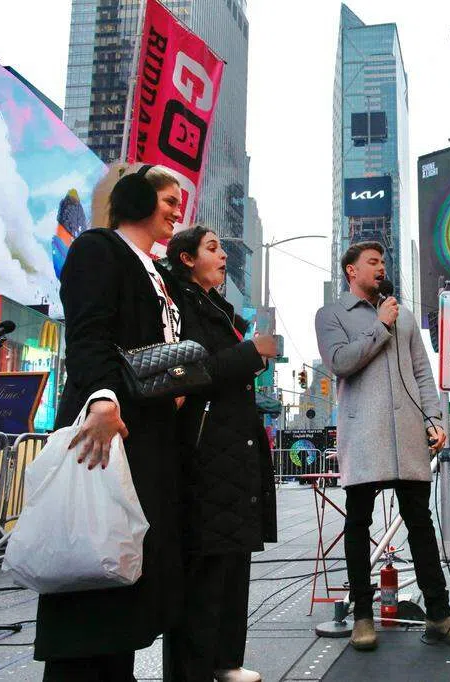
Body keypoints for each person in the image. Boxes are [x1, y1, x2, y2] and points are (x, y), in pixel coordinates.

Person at [36, 164, 186, 680]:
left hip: (145, 438)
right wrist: (101, 399)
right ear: (139, 198)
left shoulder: (157, 270)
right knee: (88, 581)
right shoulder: (99, 248)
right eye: (168, 198)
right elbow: (88, 331)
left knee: (122, 581)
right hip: (106, 431)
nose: (176, 210)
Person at [314, 241, 450, 650]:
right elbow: (340, 363)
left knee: (421, 525)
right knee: (358, 524)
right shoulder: (331, 314)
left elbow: (423, 372)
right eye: (372, 262)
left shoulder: (402, 314)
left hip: (408, 435)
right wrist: (379, 327)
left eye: (384, 261)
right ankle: (363, 617)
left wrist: (436, 419)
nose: (381, 267)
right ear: (352, 271)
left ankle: (439, 614)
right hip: (363, 435)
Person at [163, 226, 279, 682]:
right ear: (187, 258)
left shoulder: (220, 309)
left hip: (236, 448)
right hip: (206, 450)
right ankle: (194, 667)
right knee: (207, 566)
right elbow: (193, 372)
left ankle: (226, 659)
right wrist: (252, 352)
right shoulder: (180, 304)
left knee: (233, 558)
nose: (222, 255)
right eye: (212, 248)